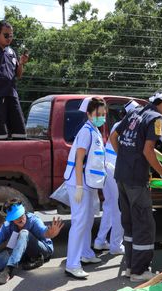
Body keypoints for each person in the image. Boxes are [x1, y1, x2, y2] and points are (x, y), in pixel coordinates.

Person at [109, 88, 162, 282]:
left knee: (130, 222)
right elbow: (148, 151)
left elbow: (113, 137)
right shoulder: (156, 118)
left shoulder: (134, 112)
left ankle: (130, 267)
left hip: (121, 175)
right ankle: (140, 271)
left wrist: (125, 157)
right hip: (136, 179)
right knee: (145, 225)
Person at [64, 97, 108, 279]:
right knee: (79, 222)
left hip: (88, 184)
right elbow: (79, 160)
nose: (101, 117)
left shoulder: (95, 130)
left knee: (88, 220)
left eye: (103, 114)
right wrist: (80, 186)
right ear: (89, 114)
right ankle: (72, 264)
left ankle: (86, 254)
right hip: (78, 183)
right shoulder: (86, 132)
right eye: (98, 114)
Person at [94, 101, 140, 255]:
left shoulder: (118, 125)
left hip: (107, 170)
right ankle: (115, 246)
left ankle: (100, 241)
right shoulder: (130, 127)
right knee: (120, 209)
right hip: (116, 172)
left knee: (109, 207)